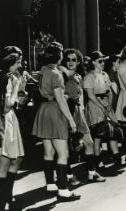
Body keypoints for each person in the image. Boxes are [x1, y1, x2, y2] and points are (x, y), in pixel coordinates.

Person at [32, 42, 80, 202]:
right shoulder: (56, 74)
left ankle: (50, 185)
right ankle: (64, 191)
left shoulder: (44, 71)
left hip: (43, 109)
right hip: (54, 111)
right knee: (63, 153)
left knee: (48, 152)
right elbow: (60, 100)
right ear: (58, 56)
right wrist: (71, 120)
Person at [0, 48, 24, 211]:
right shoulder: (8, 79)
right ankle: (2, 203)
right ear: (11, 63)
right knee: (6, 161)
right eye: (19, 62)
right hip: (5, 121)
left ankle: (6, 197)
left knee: (16, 159)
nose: (21, 65)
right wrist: (18, 93)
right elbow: (7, 106)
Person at [60, 48, 104, 185]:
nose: (70, 62)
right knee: (65, 148)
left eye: (74, 59)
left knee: (89, 143)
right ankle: (68, 176)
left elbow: (81, 99)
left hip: (79, 113)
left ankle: (92, 173)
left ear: (78, 61)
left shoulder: (79, 77)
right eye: (68, 59)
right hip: (65, 113)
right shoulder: (61, 75)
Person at [83, 51, 121, 178]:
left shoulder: (105, 74)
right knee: (98, 134)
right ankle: (97, 160)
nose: (103, 63)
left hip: (106, 104)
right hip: (95, 105)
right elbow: (90, 95)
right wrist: (102, 107)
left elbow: (109, 91)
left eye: (103, 60)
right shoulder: (89, 76)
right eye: (100, 61)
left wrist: (109, 106)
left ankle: (116, 157)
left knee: (112, 129)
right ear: (93, 62)